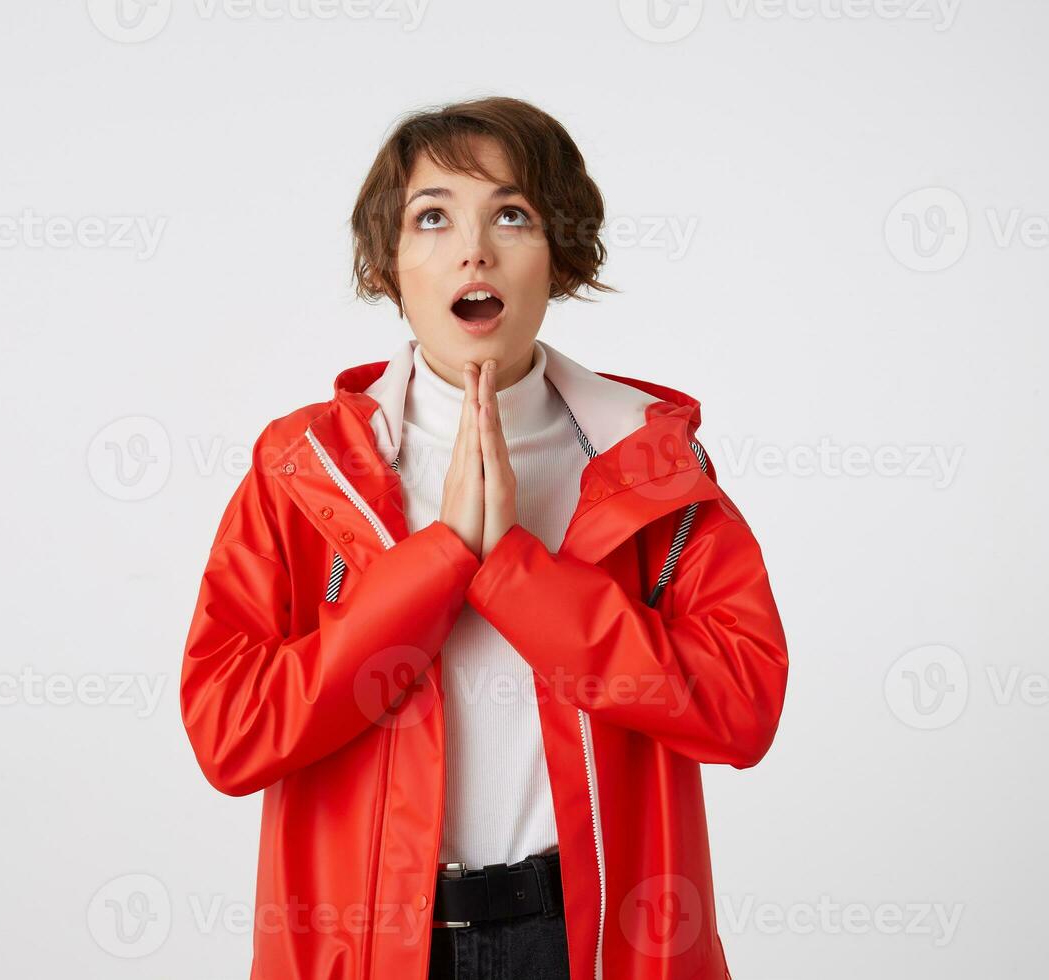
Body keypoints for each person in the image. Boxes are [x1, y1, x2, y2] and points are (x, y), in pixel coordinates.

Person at [179, 95, 789, 980]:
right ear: (391, 263)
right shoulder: (304, 468)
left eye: (512, 214)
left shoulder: (650, 463)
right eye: (432, 218)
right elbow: (230, 734)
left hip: (592, 942)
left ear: (559, 257)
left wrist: (513, 571)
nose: (474, 249)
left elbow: (741, 708)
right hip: (383, 948)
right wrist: (441, 560)